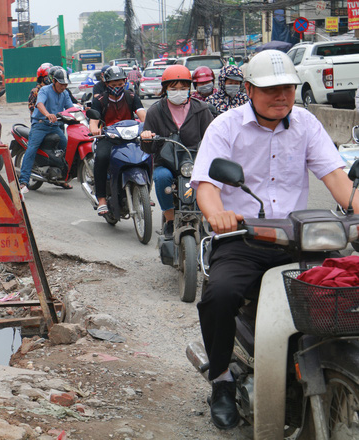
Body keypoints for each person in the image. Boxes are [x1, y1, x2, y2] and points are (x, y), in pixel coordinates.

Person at [190, 50, 355, 431]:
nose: (281, 96)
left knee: (345, 289)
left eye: (288, 88)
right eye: (271, 89)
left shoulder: (307, 124)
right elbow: (206, 185)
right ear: (248, 89)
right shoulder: (226, 126)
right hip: (244, 236)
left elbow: (338, 180)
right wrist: (217, 213)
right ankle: (222, 381)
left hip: (300, 238)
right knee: (220, 296)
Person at [140, 64, 213, 238]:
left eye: (183, 88)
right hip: (166, 162)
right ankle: (170, 220)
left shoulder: (202, 109)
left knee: (209, 180)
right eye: (174, 88)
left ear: (190, 88)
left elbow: (213, 138)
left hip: (195, 161)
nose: (179, 92)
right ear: (166, 89)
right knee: (161, 177)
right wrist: (147, 137)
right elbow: (148, 148)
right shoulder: (155, 111)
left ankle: (204, 218)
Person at [89, 66, 147, 215]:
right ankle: (101, 198)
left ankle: (145, 191)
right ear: (107, 84)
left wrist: (148, 127)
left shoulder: (132, 97)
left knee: (148, 154)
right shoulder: (100, 100)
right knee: (101, 157)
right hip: (109, 137)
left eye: (120, 84)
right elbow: (94, 122)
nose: (117, 87)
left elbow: (143, 115)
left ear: (125, 82)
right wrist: (95, 129)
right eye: (113, 85)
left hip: (131, 136)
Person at [19, 67, 73, 193]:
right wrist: (47, 114)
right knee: (31, 149)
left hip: (55, 127)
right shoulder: (44, 90)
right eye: (61, 84)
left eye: (65, 84)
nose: (63, 87)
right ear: (54, 81)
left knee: (67, 149)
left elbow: (70, 108)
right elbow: (39, 104)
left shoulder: (65, 93)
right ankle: (23, 181)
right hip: (40, 124)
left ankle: (62, 177)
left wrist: (82, 110)